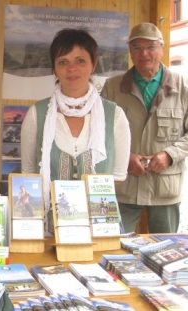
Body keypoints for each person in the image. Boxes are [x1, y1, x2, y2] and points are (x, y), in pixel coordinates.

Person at [100, 23, 188, 233]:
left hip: (165, 187)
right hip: (123, 185)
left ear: (161, 49)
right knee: (112, 247)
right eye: (136, 47)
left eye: (150, 47)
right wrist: (124, 158)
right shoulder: (112, 87)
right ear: (130, 52)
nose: (144, 53)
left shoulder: (184, 86)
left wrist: (170, 154)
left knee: (167, 250)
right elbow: (99, 132)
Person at [20, 28, 130, 234]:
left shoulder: (114, 115)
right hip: (50, 229)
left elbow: (118, 176)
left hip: (100, 228)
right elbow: (29, 175)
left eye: (80, 60)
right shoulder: (37, 114)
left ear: (93, 64)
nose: (72, 68)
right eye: (63, 62)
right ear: (54, 68)